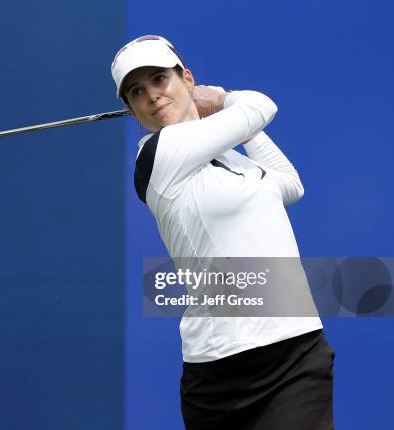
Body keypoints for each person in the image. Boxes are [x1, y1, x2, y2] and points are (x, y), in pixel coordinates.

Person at [111, 35, 335, 429]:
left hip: (296, 351)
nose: (152, 95)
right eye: (136, 91)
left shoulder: (233, 159)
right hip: (220, 370)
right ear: (132, 110)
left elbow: (290, 184)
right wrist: (223, 99)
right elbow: (262, 105)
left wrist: (244, 133)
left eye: (160, 79)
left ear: (187, 79)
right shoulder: (158, 154)